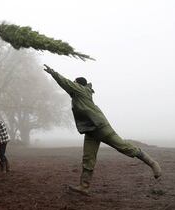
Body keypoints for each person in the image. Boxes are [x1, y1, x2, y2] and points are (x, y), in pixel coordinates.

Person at [43, 64, 161, 195]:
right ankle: (84, 186)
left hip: (100, 127)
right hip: (90, 130)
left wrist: (53, 73)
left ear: (78, 85)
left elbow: (66, 83)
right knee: (88, 158)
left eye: (74, 83)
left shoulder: (81, 90)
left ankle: (152, 163)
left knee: (124, 147)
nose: (72, 86)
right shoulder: (79, 95)